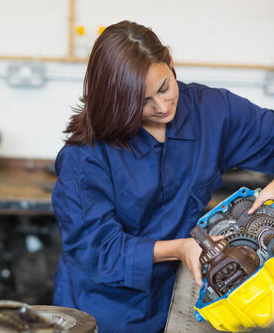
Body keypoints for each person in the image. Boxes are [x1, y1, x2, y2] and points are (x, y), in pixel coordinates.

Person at [51, 20, 274, 333]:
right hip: (102, 308)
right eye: (141, 102)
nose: (161, 106)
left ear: (170, 62)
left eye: (164, 87)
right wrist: (180, 248)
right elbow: (98, 249)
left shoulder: (212, 112)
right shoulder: (85, 155)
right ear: (115, 100)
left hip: (176, 296)